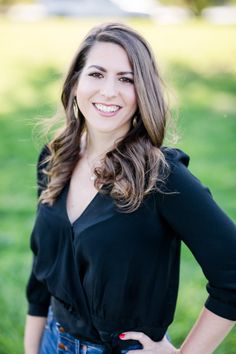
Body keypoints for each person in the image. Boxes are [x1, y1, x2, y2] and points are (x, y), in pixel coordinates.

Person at [24, 22, 236, 354]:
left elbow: (232, 275)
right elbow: (42, 271)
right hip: (52, 339)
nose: (109, 91)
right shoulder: (54, 159)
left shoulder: (162, 177)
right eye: (96, 74)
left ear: (144, 92)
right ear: (76, 81)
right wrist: (32, 346)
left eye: (127, 79)